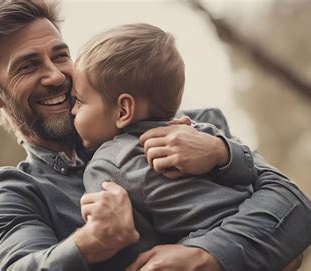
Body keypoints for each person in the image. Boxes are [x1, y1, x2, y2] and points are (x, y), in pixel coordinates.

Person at [0, 1, 311, 270]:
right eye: (28, 65)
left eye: (60, 55)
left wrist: (205, 256)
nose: (55, 76)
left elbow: (296, 210)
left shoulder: (195, 129)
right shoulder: (13, 197)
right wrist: (89, 244)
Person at [71, 23, 259, 269]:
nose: (72, 110)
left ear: (124, 110)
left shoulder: (107, 165)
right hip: (253, 234)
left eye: (79, 102)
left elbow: (116, 247)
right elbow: (250, 171)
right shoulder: (199, 133)